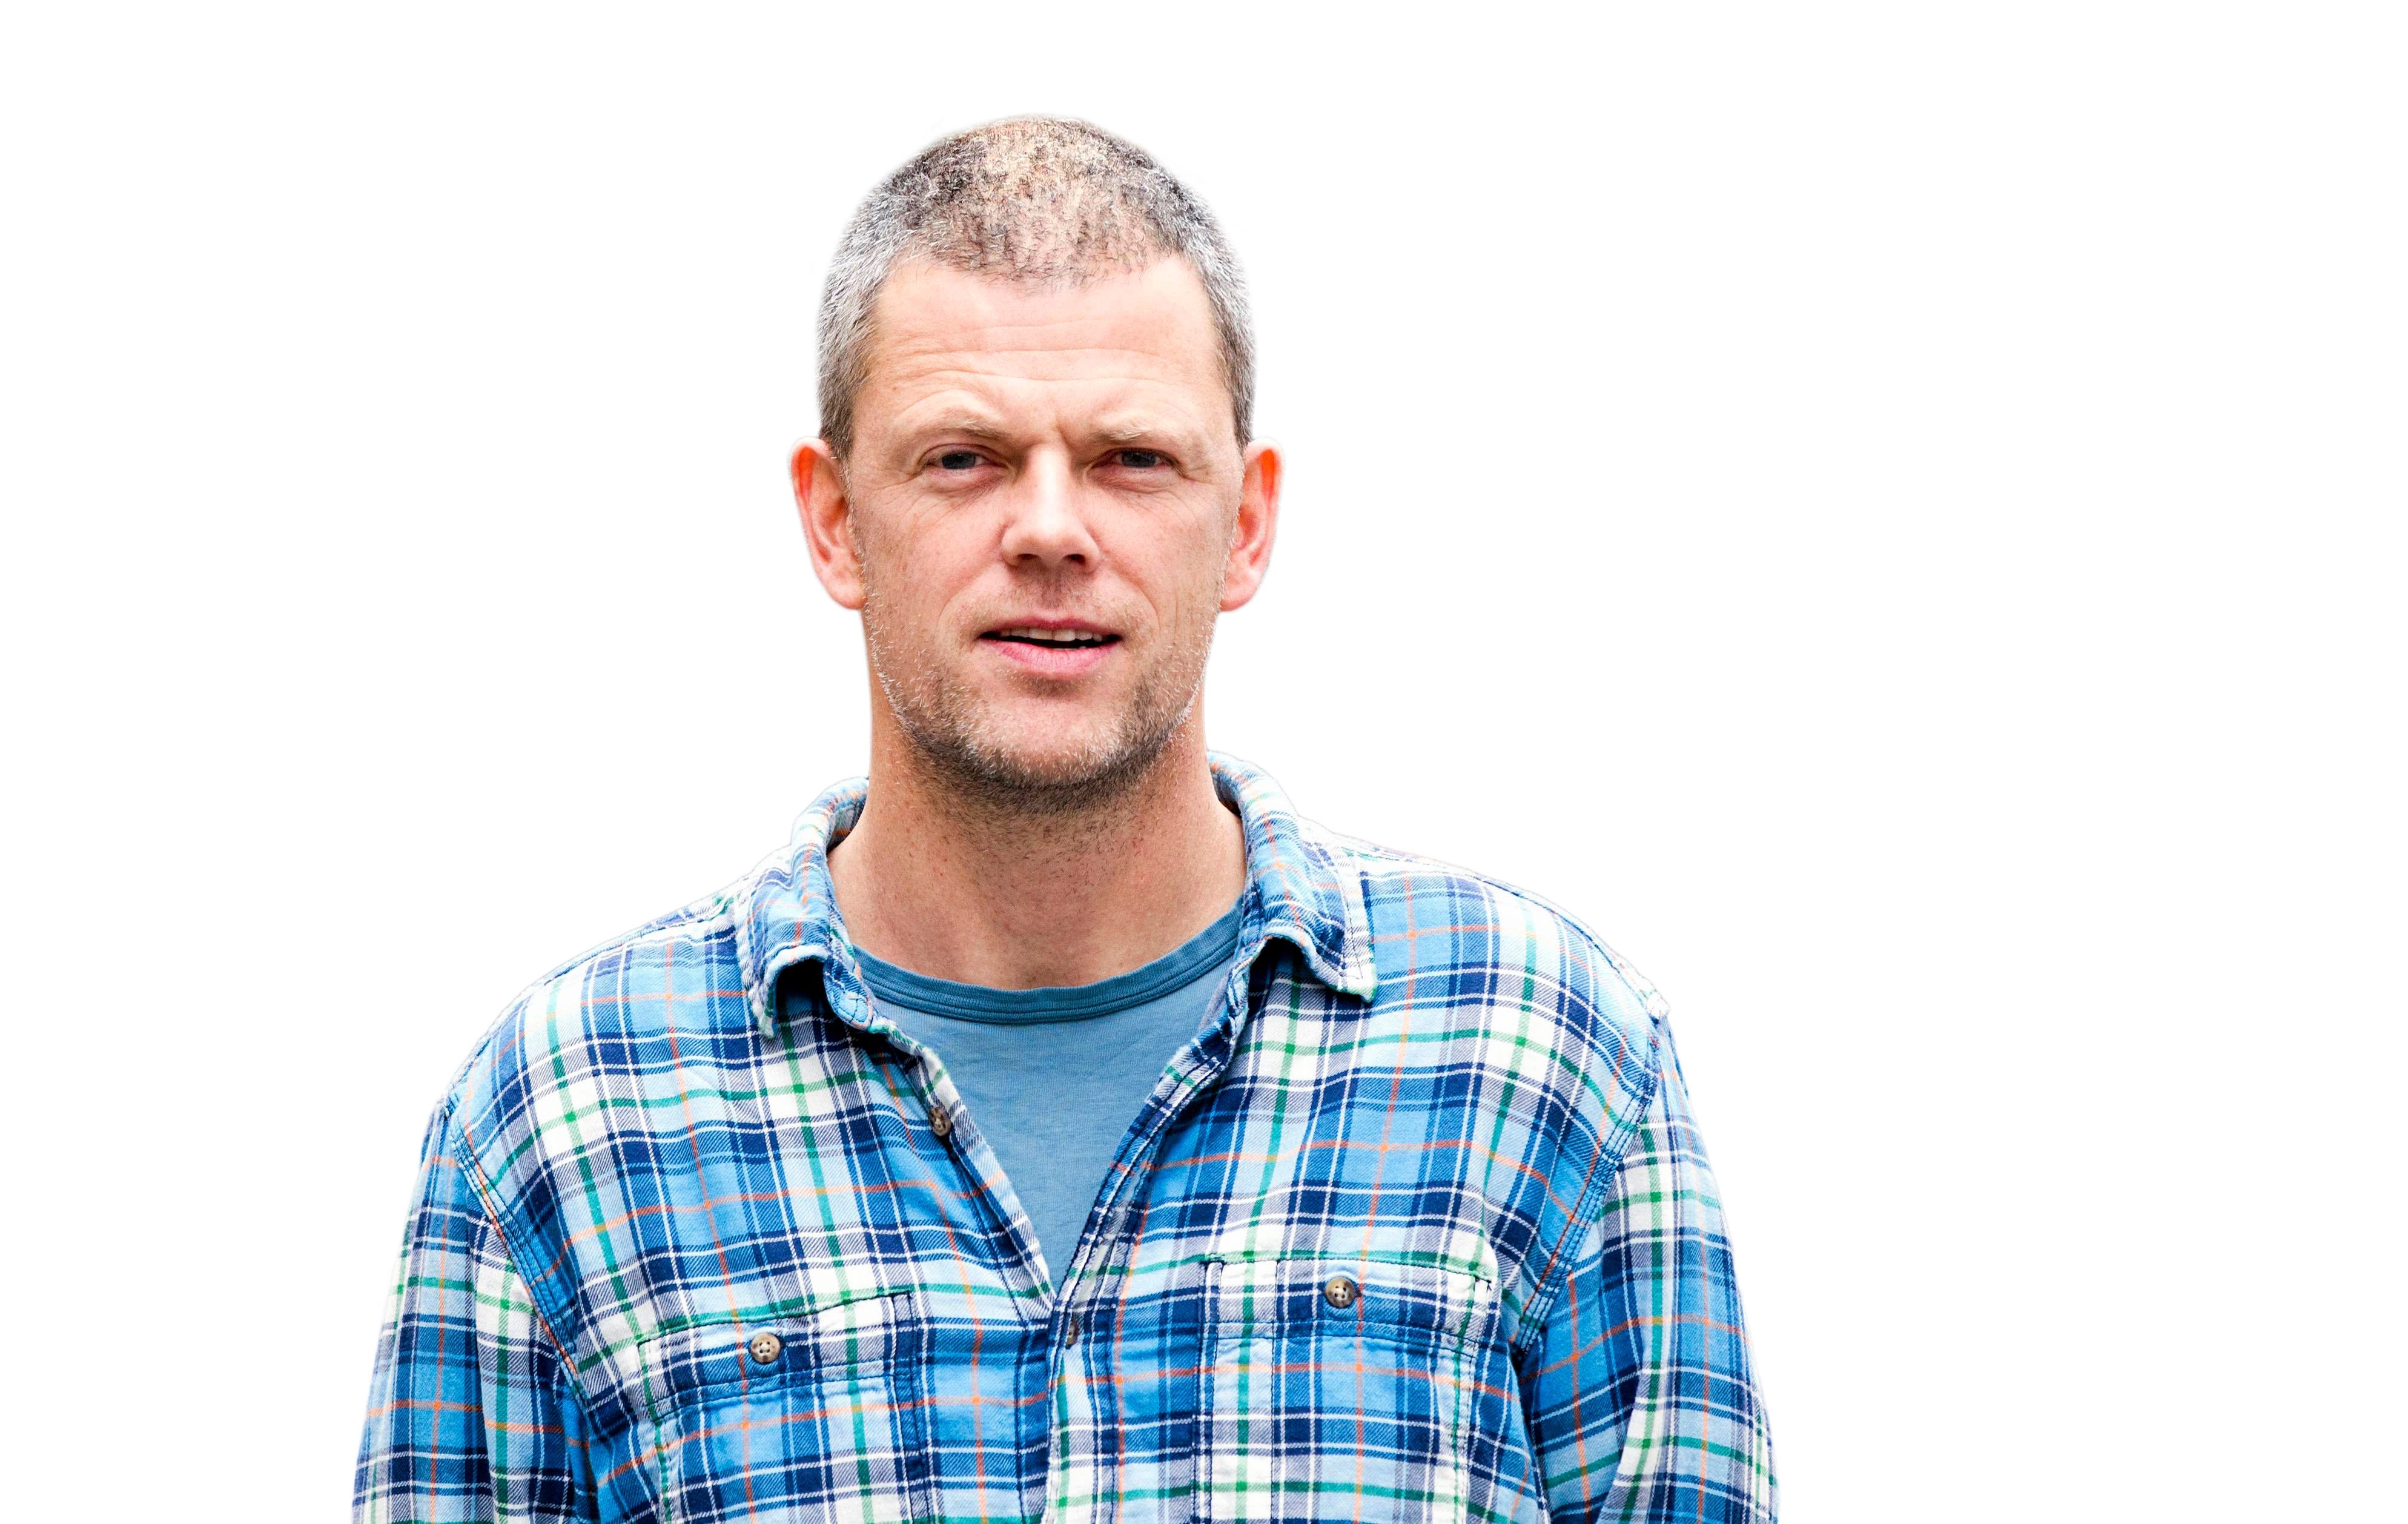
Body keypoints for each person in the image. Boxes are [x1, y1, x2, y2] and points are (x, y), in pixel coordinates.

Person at [354, 115, 1777, 1524]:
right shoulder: (565, 1118)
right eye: (962, 458)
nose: (1048, 529)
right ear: (835, 521)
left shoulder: (1544, 1061)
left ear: (1246, 523)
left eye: (1131, 459)